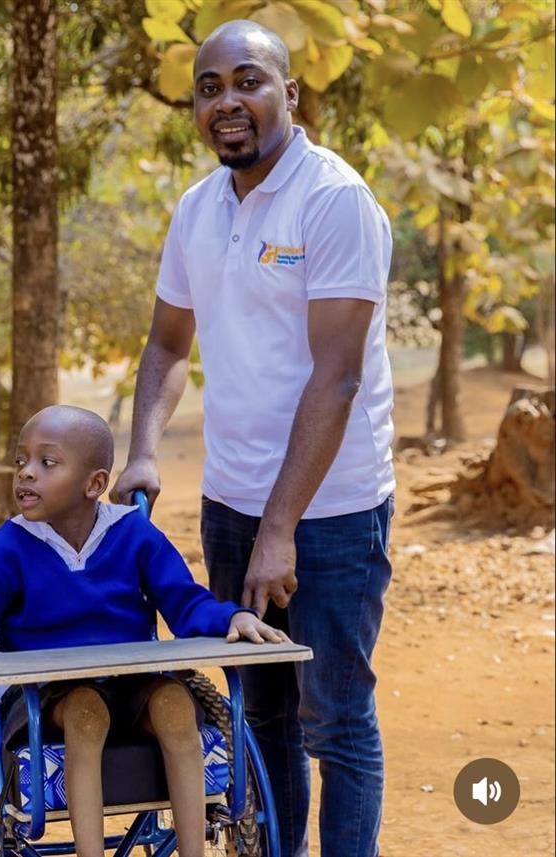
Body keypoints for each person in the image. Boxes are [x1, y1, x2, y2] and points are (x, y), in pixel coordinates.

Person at [111, 20, 395, 857]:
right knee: (258, 707)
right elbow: (167, 345)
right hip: (231, 503)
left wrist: (282, 532)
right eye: (209, 88)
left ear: (289, 95)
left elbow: (336, 375)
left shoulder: (335, 200)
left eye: (248, 81)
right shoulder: (197, 210)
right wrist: (142, 451)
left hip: (334, 512)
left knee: (334, 715)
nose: (227, 102)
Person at [0, 405, 289, 857]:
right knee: (86, 709)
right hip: (46, 698)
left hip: (133, 684)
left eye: (46, 463)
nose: (25, 473)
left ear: (95, 485)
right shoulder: (11, 548)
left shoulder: (134, 535)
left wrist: (231, 618)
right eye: (21, 460)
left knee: (176, 704)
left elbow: (185, 602)